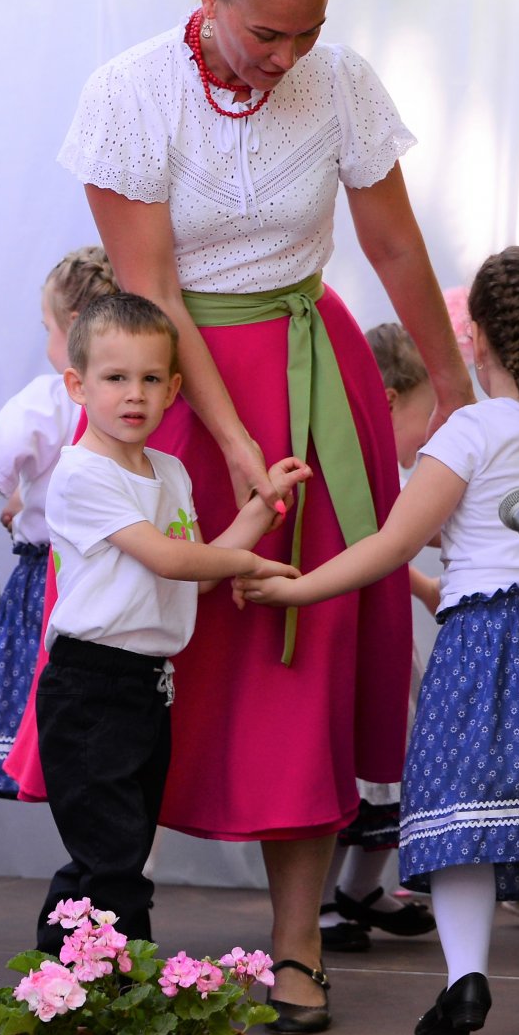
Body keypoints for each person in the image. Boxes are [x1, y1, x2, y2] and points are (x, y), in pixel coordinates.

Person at [56, 0, 469, 1031]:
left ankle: (298, 943)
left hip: (316, 377)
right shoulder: (128, 92)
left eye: (308, 31)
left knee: (304, 646)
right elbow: (153, 288)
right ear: (209, 3)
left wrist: (452, 390)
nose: (285, 57)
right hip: (174, 387)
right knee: (151, 655)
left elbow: (394, 251)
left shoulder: (337, 83)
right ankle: (100, 913)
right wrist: (233, 442)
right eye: (263, 35)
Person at [240, 247, 519, 1035]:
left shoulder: (471, 432)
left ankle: (466, 983)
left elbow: (392, 544)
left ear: (478, 341)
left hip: (487, 638)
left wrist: (295, 586)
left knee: (460, 812)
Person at [37, 292, 308, 949]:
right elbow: (166, 557)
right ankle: (124, 983)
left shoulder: (169, 470)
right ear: (78, 385)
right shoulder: (83, 473)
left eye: (151, 379)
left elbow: (203, 565)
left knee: (115, 846)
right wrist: (253, 561)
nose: (134, 394)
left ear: (173, 388)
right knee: (114, 855)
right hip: (89, 686)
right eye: (115, 378)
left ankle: (60, 976)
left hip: (147, 684)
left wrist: (264, 504)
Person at [0, 246, 118, 804]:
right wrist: (24, 496)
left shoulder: (50, 396)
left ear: (73, 328)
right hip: (116, 575)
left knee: (52, 701)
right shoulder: (130, 399)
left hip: (51, 579)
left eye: (46, 326)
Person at [316, 323, 440, 953]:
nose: (432, 429)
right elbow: (362, 538)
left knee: (397, 749)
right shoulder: (347, 459)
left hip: (385, 625)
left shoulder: (391, 471)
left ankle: (360, 888)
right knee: (348, 754)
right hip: (345, 626)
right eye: (429, 412)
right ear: (388, 398)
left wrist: (417, 583)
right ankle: (317, 902)